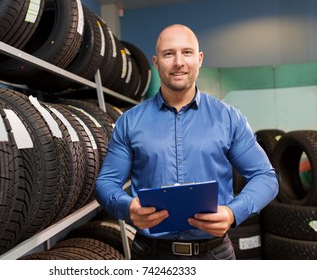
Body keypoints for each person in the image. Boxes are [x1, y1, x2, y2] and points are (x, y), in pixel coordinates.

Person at [95, 24, 279, 260]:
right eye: (169, 54)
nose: (179, 62)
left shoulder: (228, 118)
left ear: (199, 59)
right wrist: (128, 207)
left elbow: (265, 176)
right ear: (156, 61)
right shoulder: (129, 122)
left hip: (214, 254)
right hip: (151, 255)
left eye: (187, 52)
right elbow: (106, 183)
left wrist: (233, 212)